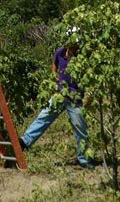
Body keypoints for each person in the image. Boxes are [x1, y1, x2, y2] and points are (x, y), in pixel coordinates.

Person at [19, 29, 95, 169]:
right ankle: (24, 142)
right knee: (43, 117)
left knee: (80, 127)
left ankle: (84, 159)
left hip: (75, 97)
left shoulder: (82, 55)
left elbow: (89, 77)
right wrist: (54, 79)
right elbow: (54, 64)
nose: (73, 45)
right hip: (59, 94)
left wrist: (88, 95)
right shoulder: (60, 51)